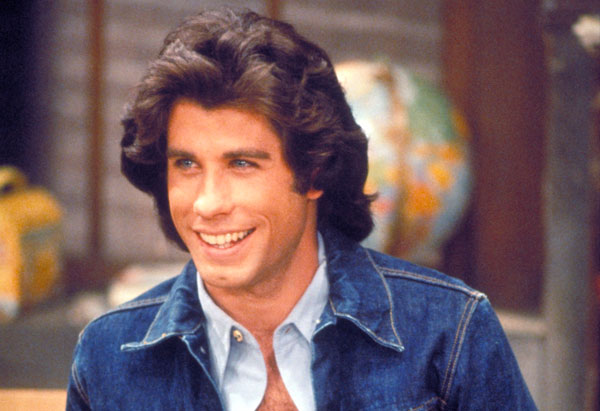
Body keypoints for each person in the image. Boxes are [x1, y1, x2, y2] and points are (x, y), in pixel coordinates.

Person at [67, 7, 537, 410]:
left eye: (242, 164)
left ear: (314, 173)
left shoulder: (450, 334)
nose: (207, 203)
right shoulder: (109, 356)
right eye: (186, 164)